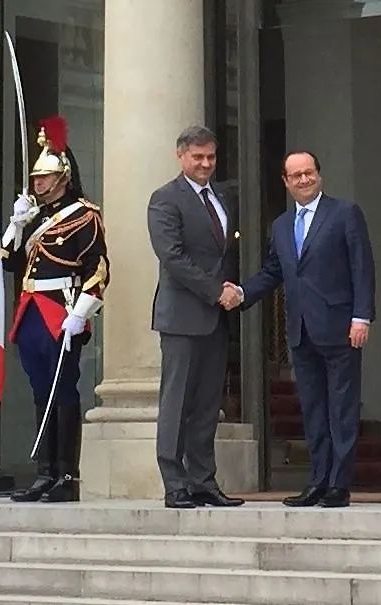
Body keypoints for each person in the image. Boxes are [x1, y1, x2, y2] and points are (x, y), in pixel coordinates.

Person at [226, 150, 376, 508]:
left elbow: (362, 267)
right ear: (286, 181)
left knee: (341, 408)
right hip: (301, 330)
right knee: (312, 409)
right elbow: (273, 272)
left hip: (341, 327)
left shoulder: (344, 214)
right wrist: (243, 292)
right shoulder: (281, 225)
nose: (304, 180)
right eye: (296, 176)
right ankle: (317, 481)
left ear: (319, 175)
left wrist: (362, 316)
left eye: (309, 173)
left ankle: (339, 484)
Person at [1, 115, 110, 503]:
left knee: (62, 390)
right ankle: (44, 473)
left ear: (63, 177)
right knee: (39, 389)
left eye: (44, 178)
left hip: (63, 308)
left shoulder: (83, 215)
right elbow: (9, 261)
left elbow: (97, 269)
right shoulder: (35, 216)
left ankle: (67, 475)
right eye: (35, 178)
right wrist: (16, 225)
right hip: (31, 308)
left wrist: (81, 313)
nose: (37, 183)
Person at [147, 125, 245, 509]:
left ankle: (204, 481)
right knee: (178, 402)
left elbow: (224, 254)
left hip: (216, 317)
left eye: (211, 158)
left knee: (207, 404)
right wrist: (216, 290)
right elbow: (173, 257)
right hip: (182, 316)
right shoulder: (165, 199)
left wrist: (233, 288)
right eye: (198, 158)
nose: (205, 164)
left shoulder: (222, 195)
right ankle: (175, 483)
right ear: (181, 156)